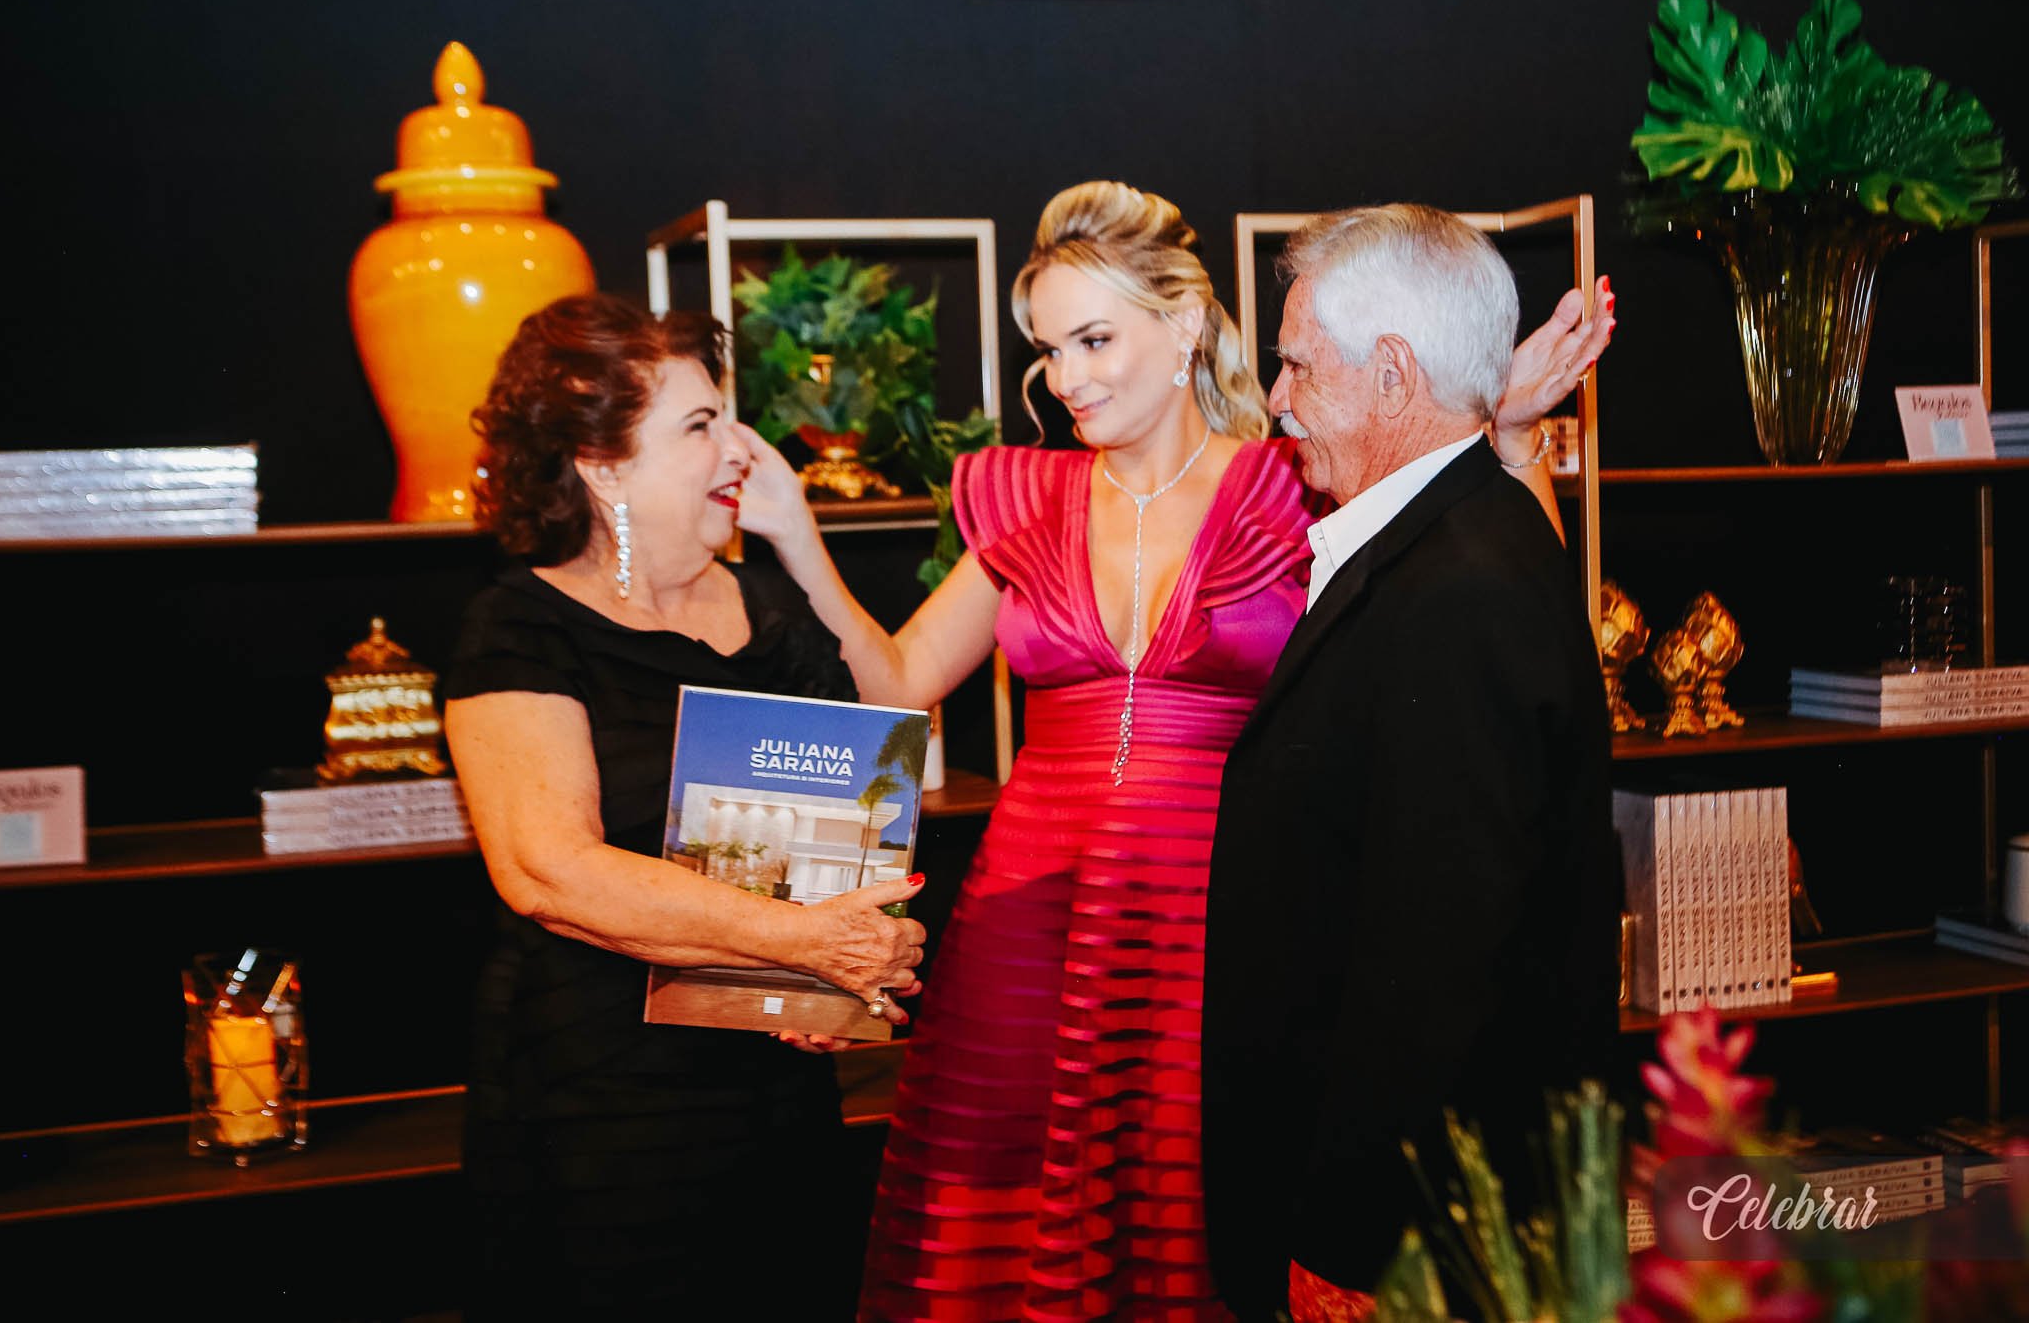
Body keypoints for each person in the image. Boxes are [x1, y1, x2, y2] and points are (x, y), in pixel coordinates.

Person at [738, 180, 1610, 1321]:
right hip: (1028, 928)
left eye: (1094, 339)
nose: (1067, 377)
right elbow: (898, 685)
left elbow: (1479, 609)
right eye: (1050, 350)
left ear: (1185, 322)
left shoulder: (1296, 481)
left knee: (1198, 1242)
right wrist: (797, 539)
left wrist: (1504, 434)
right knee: (1006, 1243)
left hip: (1212, 928)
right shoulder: (1024, 495)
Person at [442, 292, 927, 1318]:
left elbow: (890, 752)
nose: (740, 448)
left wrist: (827, 987)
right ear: (602, 463)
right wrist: (808, 944)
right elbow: (547, 870)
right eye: (702, 425)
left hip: (776, 1100)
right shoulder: (519, 627)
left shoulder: (767, 611)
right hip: (603, 1109)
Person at [1199, 204, 1621, 1322]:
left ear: (1392, 375)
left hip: (1403, 1242)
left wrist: (1355, 1246)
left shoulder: (1459, 589)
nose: (1276, 397)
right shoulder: (1445, 541)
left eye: (1297, 363)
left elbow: (1441, 965)